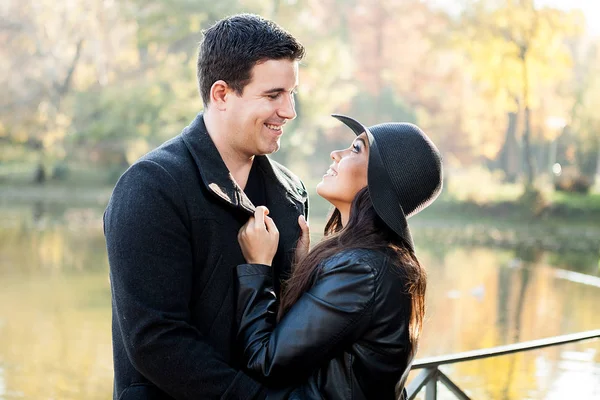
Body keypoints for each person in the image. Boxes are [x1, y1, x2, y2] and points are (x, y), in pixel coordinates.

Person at [103, 14, 307, 400]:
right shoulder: (149, 188)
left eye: (291, 93)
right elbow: (156, 342)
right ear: (221, 95)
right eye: (273, 95)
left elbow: (286, 333)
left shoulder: (291, 192)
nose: (289, 111)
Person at [235, 114, 443, 399]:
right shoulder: (376, 261)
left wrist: (258, 266)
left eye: (356, 149)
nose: (336, 154)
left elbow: (265, 361)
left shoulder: (361, 270)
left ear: (379, 181)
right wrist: (299, 269)